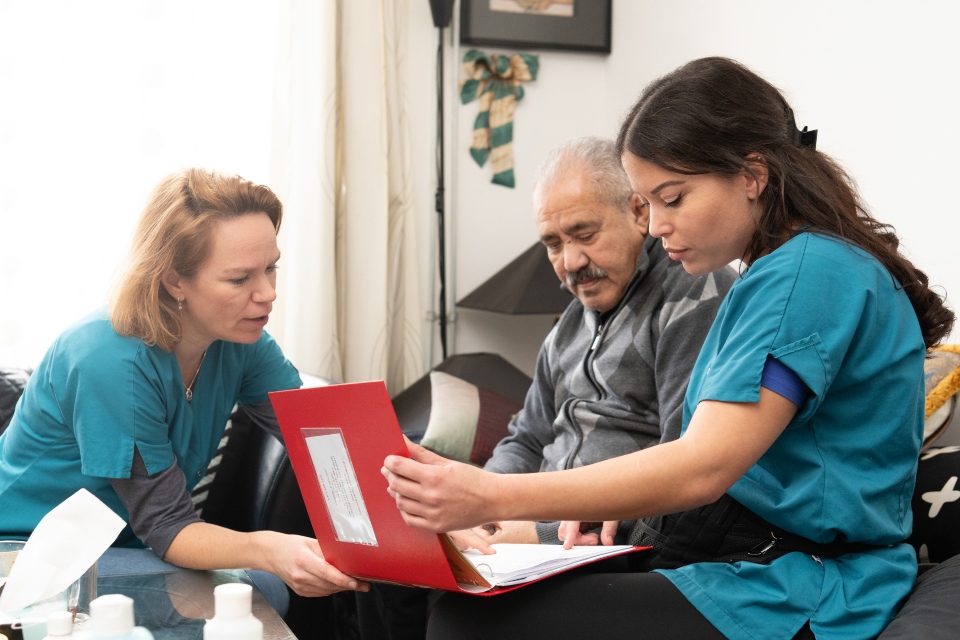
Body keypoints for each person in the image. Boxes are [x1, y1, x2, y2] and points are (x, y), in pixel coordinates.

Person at [382, 57, 955, 640]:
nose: (654, 225)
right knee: (463, 598)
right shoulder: (785, 274)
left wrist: (490, 496)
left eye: (672, 198)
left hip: (798, 582)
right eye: (645, 205)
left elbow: (706, 464)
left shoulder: (807, 275)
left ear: (752, 174)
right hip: (741, 553)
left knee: (467, 621)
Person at [357, 137, 736, 638]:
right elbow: (527, 438)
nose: (571, 262)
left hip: (607, 539)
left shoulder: (693, 294)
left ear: (637, 212)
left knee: (456, 616)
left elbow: (682, 468)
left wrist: (515, 524)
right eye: (553, 244)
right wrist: (483, 512)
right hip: (531, 521)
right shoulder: (570, 325)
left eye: (584, 233)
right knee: (383, 564)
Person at [0, 168, 368, 603]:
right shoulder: (108, 359)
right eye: (240, 278)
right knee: (260, 591)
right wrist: (269, 549)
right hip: (29, 553)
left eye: (271, 269)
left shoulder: (240, 341)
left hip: (123, 545)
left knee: (263, 592)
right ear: (174, 279)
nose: (268, 293)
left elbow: (330, 441)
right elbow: (167, 526)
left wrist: (439, 514)